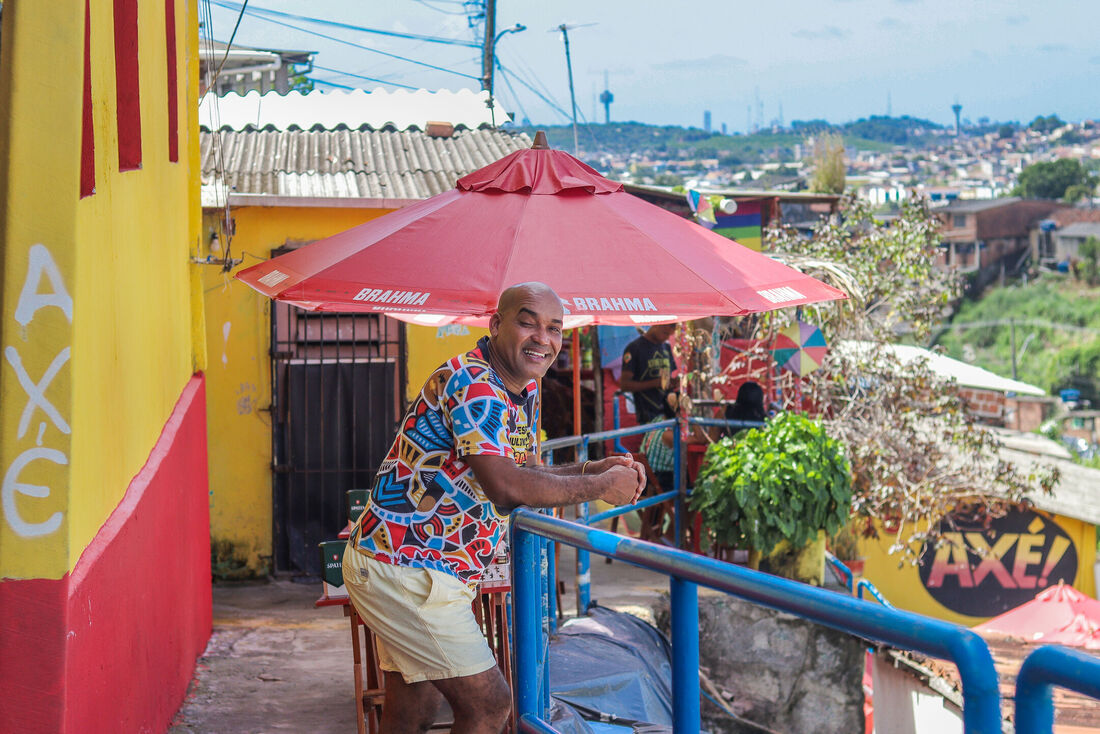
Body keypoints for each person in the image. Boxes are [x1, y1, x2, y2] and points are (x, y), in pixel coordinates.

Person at [342, 282, 646, 734]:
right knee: (489, 704)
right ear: (497, 324)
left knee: (415, 704)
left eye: (554, 328)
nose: (543, 338)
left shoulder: (520, 388)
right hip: (407, 567)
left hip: (423, 568)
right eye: (528, 322)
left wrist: (588, 469)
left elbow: (524, 472)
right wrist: (600, 486)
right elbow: (505, 487)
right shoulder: (476, 384)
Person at [619, 324, 677, 426]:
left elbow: (667, 377)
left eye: (670, 335)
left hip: (669, 411)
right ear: (656, 325)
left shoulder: (666, 347)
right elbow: (625, 385)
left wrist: (674, 382)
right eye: (665, 333)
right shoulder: (634, 348)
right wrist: (654, 383)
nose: (667, 338)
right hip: (648, 413)